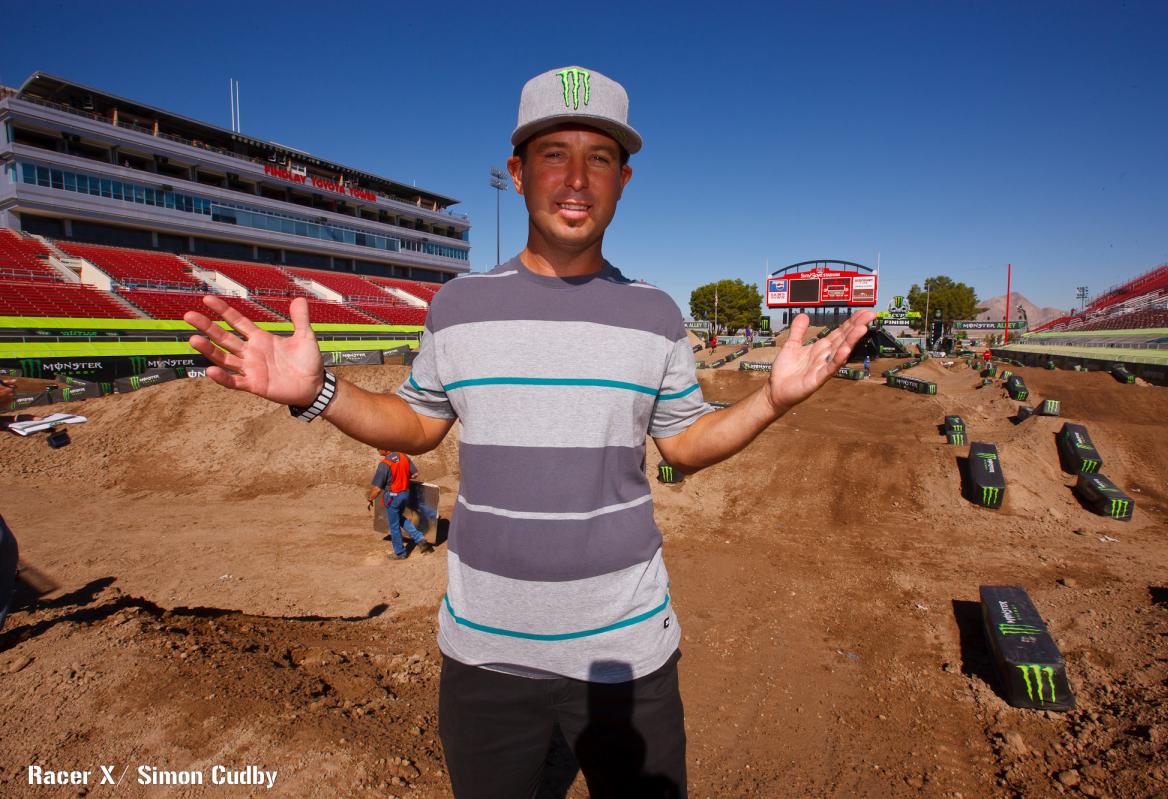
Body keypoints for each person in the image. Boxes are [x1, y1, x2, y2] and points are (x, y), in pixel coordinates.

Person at [184, 65, 872, 799]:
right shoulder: (457, 306)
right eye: (554, 154)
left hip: (626, 661)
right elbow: (416, 424)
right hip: (487, 664)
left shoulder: (658, 315)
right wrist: (317, 391)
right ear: (516, 173)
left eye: (598, 157)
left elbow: (683, 443)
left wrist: (769, 400)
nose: (576, 178)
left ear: (624, 180)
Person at [367, 449, 434, 559]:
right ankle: (421, 540)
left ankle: (400, 553)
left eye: (378, 448)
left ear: (385, 449)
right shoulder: (403, 456)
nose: (377, 450)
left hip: (393, 497)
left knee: (394, 525)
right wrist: (402, 478)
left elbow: (377, 489)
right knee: (399, 518)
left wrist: (370, 499)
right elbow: (415, 474)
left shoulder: (384, 464)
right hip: (405, 494)